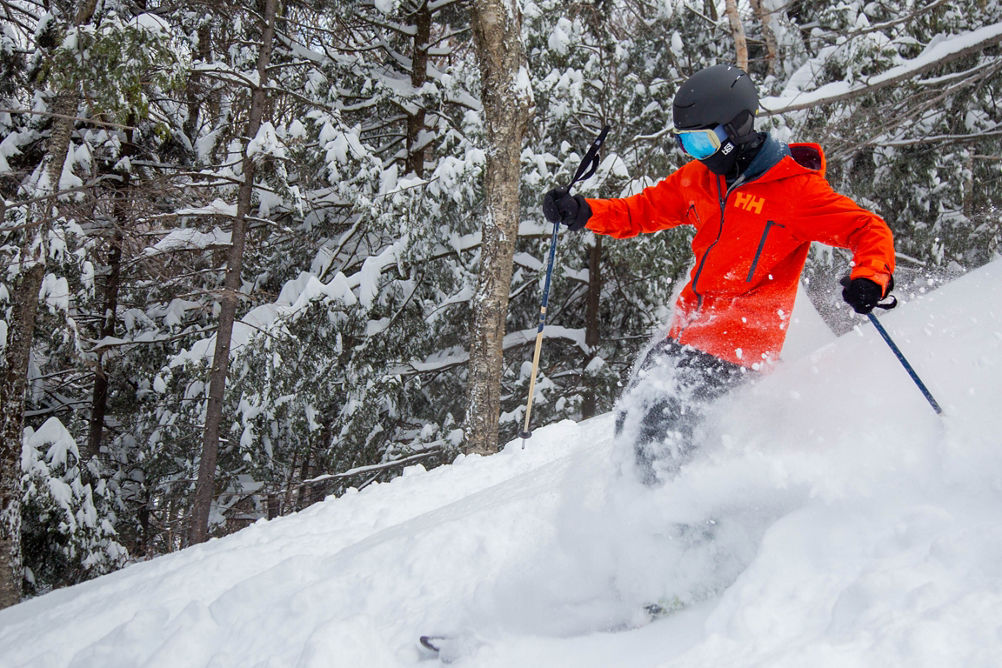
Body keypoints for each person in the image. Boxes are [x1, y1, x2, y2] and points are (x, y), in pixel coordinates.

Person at [542, 64, 896, 483]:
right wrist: (584, 212)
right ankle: (631, 516)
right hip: (689, 330)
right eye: (686, 143)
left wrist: (869, 276)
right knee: (632, 415)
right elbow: (641, 211)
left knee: (663, 433)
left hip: (740, 345)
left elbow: (866, 229)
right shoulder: (700, 178)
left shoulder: (795, 192)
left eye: (704, 141)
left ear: (740, 126)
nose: (698, 153)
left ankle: (684, 526)